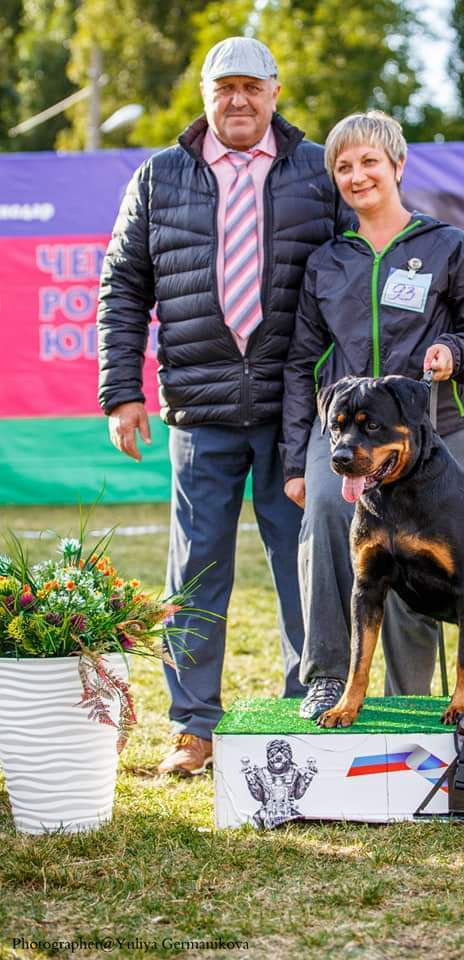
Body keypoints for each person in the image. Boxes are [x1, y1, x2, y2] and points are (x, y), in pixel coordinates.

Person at [97, 37, 346, 775]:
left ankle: (312, 705)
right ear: (205, 95)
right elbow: (122, 289)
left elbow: (348, 277)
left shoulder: (316, 171)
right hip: (198, 413)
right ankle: (194, 728)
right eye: (224, 87)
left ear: (275, 91)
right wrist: (120, 392)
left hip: (294, 412)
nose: (238, 100)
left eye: (252, 87)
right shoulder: (159, 176)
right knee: (194, 575)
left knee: (306, 566)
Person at [281, 111, 464, 720]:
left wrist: (455, 353)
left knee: (423, 552)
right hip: (348, 436)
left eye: (369, 163)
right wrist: (294, 461)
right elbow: (303, 361)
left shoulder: (449, 246)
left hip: (436, 433)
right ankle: (325, 677)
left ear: (398, 166)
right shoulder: (327, 262)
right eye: (344, 167)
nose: (357, 176)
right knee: (330, 516)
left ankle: (409, 696)